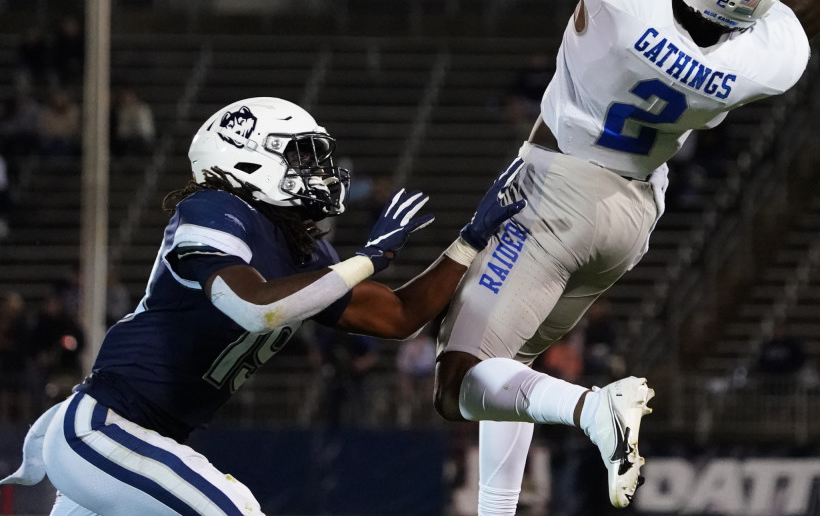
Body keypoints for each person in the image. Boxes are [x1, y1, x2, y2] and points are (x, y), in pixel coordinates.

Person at [433, 0, 820, 513]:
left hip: (554, 188)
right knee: (507, 368)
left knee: (458, 380)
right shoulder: (765, 58)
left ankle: (592, 410)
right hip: (632, 214)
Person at [0, 96, 526, 515]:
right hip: (107, 429)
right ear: (246, 158)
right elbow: (254, 308)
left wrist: (471, 239)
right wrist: (367, 257)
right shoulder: (212, 209)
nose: (317, 169)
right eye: (298, 154)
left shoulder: (302, 248)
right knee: (234, 508)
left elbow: (398, 317)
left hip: (140, 440)